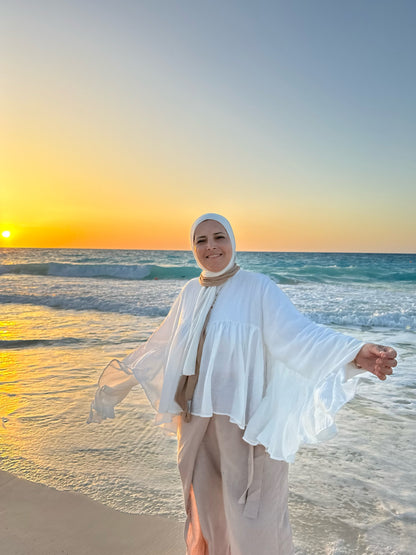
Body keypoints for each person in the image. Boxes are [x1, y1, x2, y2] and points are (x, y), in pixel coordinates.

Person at [88, 213, 397, 555]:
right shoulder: (190, 291)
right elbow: (161, 344)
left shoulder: (257, 287)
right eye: (201, 240)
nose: (211, 247)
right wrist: (118, 382)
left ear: (232, 241)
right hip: (193, 421)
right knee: (206, 510)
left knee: (254, 516)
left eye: (219, 237)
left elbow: (298, 336)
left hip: (245, 423)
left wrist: (355, 353)